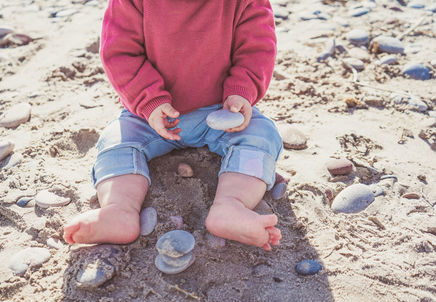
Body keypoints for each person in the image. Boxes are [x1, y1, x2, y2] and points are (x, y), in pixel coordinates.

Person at [64, 0, 283, 251]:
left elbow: (257, 48)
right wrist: (149, 100)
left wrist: (242, 91)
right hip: (149, 115)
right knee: (116, 140)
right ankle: (119, 209)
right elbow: (121, 53)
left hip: (222, 109)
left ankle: (232, 205)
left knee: (262, 134)